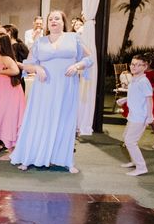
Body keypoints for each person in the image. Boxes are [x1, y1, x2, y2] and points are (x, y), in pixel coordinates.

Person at [10, 10, 93, 173]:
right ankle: (30, 157)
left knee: (64, 121)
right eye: (50, 19)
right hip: (44, 88)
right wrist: (37, 67)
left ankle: (65, 160)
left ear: (63, 22)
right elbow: (27, 64)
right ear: (47, 24)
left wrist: (77, 66)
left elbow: (89, 58)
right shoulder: (39, 42)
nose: (53, 21)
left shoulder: (74, 38)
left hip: (66, 87)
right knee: (39, 120)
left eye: (57, 18)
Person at [118, 55, 154, 176]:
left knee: (130, 141)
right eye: (133, 64)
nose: (134, 67)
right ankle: (134, 161)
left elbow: (149, 99)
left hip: (140, 117)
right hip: (133, 115)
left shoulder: (143, 81)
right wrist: (124, 99)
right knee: (126, 138)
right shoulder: (134, 79)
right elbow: (136, 96)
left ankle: (141, 167)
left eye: (138, 65)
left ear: (145, 66)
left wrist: (150, 116)